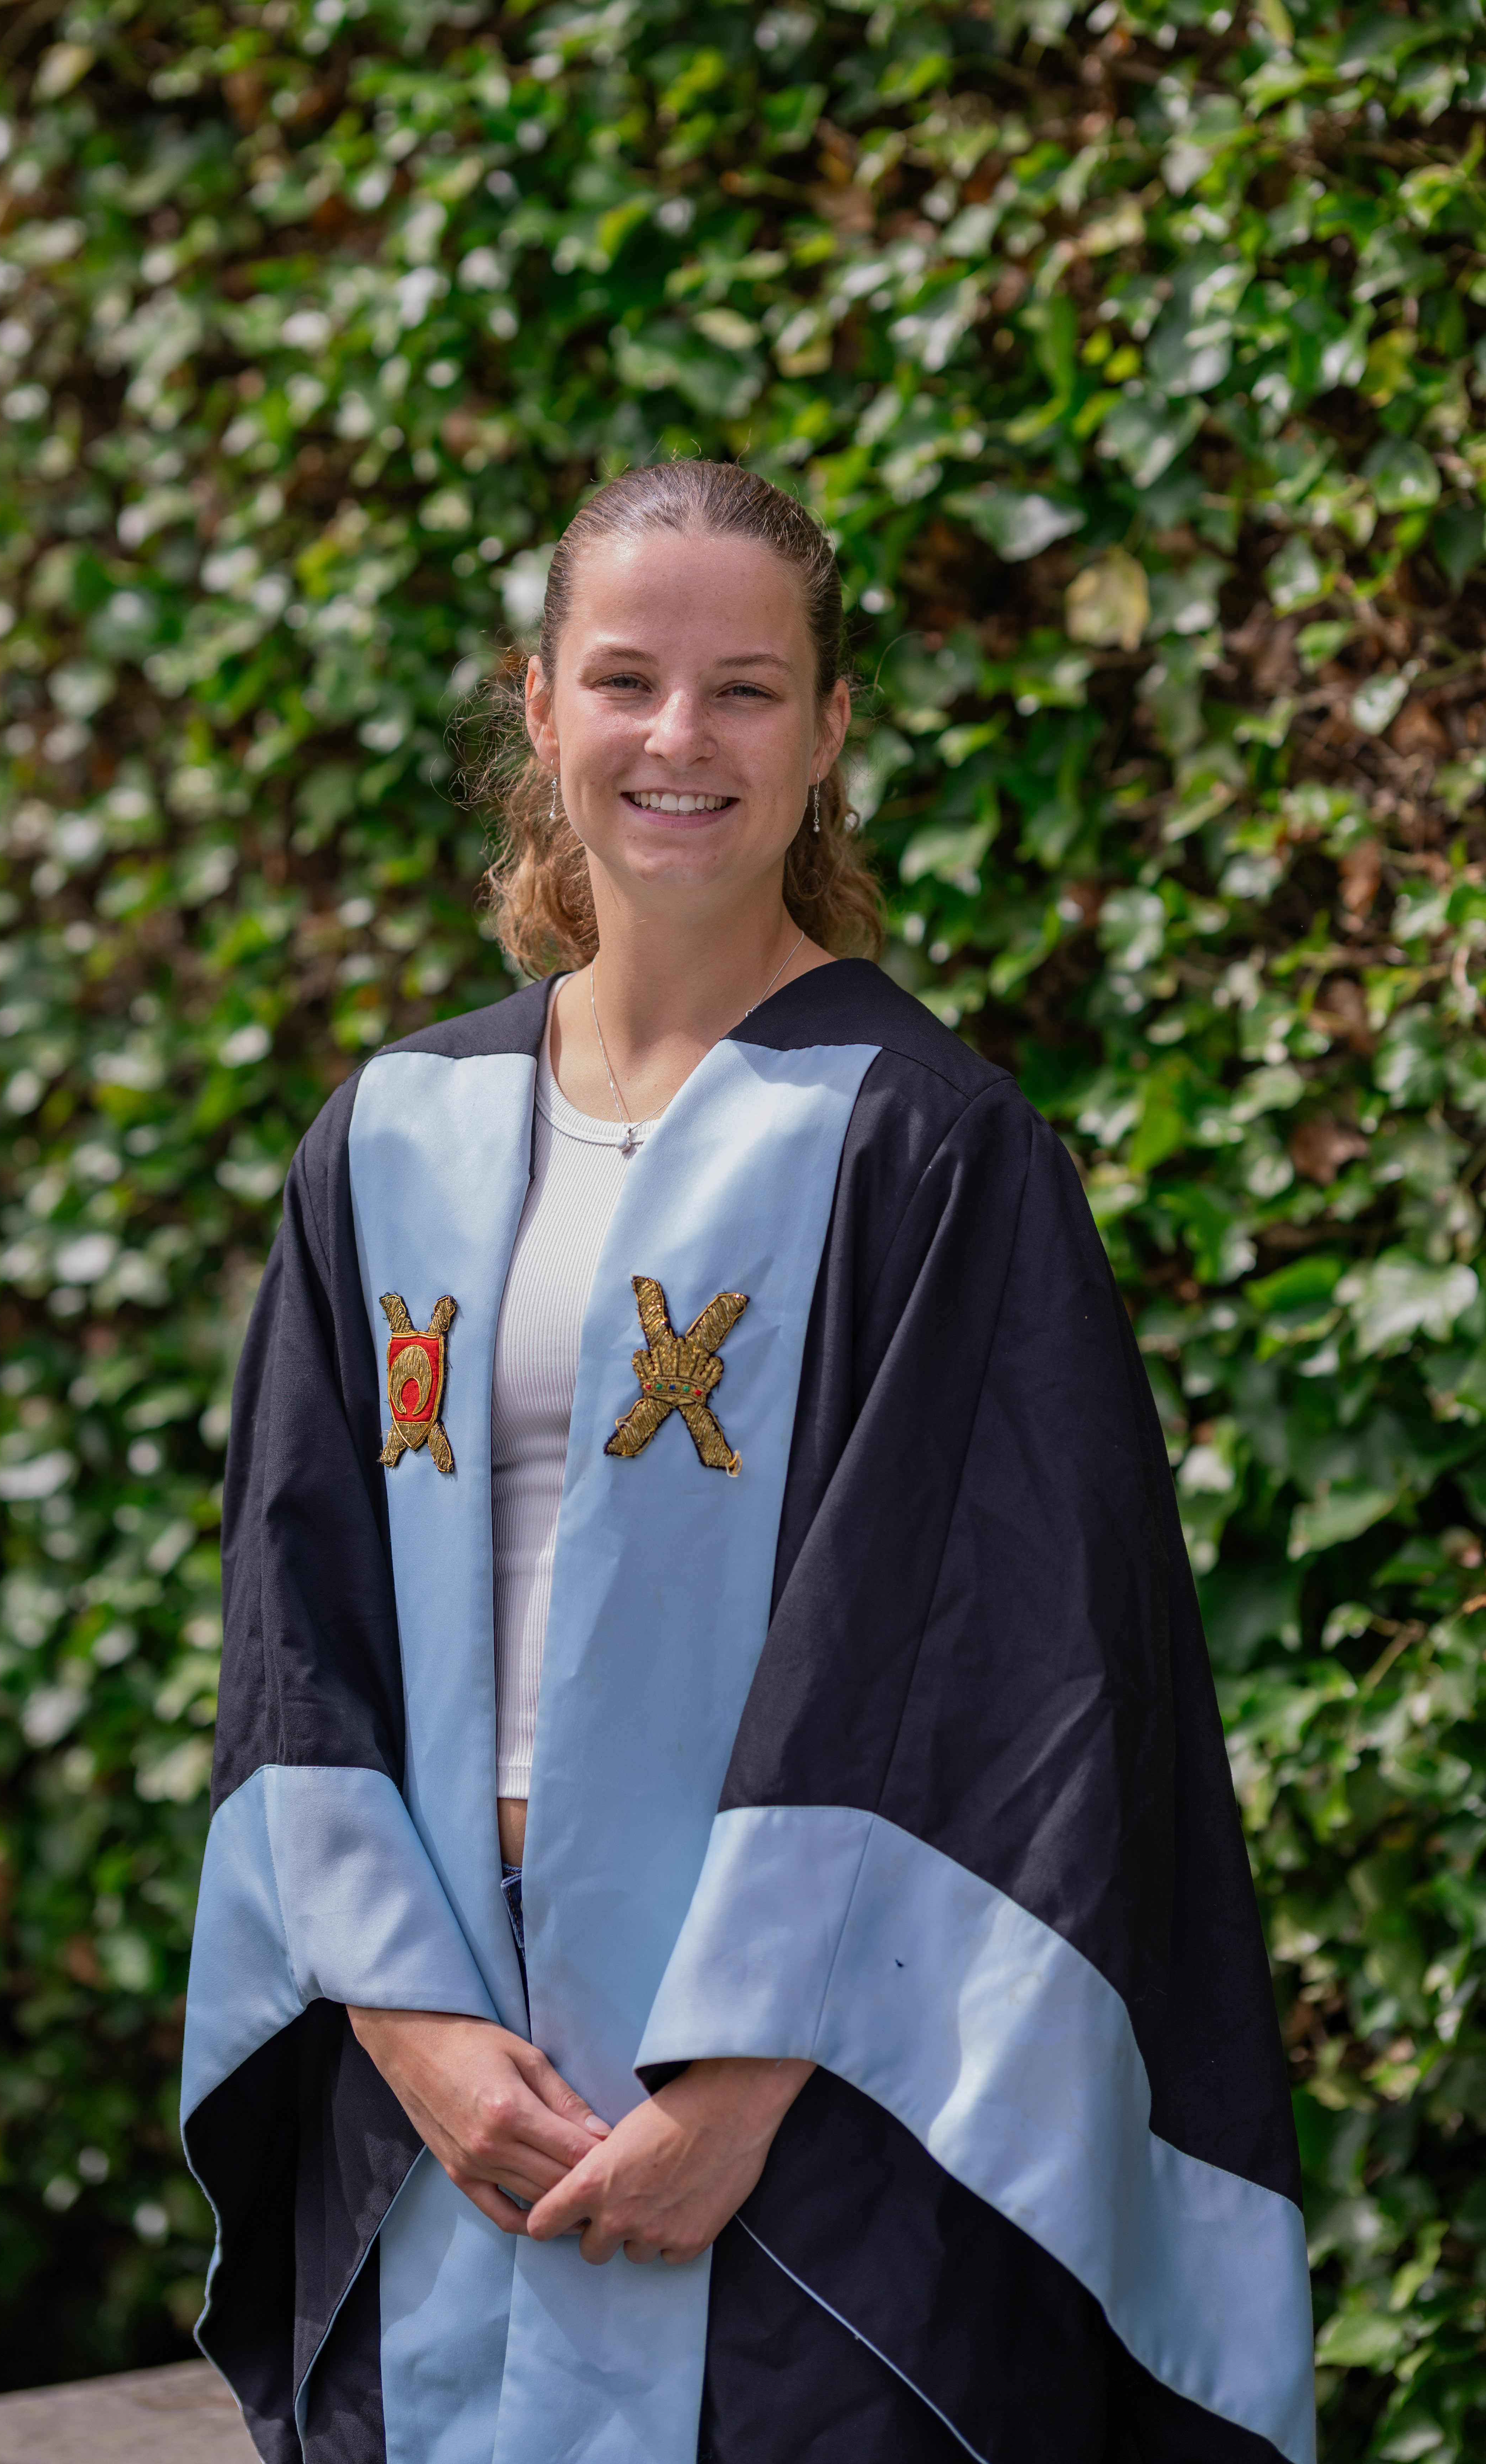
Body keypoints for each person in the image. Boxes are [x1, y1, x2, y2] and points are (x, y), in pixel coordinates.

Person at [182, 460, 1315, 2464]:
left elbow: (996, 1677)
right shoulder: (392, 1137)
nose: (678, 739)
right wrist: (408, 2029)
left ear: (828, 731)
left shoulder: (927, 1151)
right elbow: (295, 1621)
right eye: (626, 680)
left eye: (747, 690)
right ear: (541, 706)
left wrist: (741, 2086)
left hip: (813, 2118)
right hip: (442, 2073)